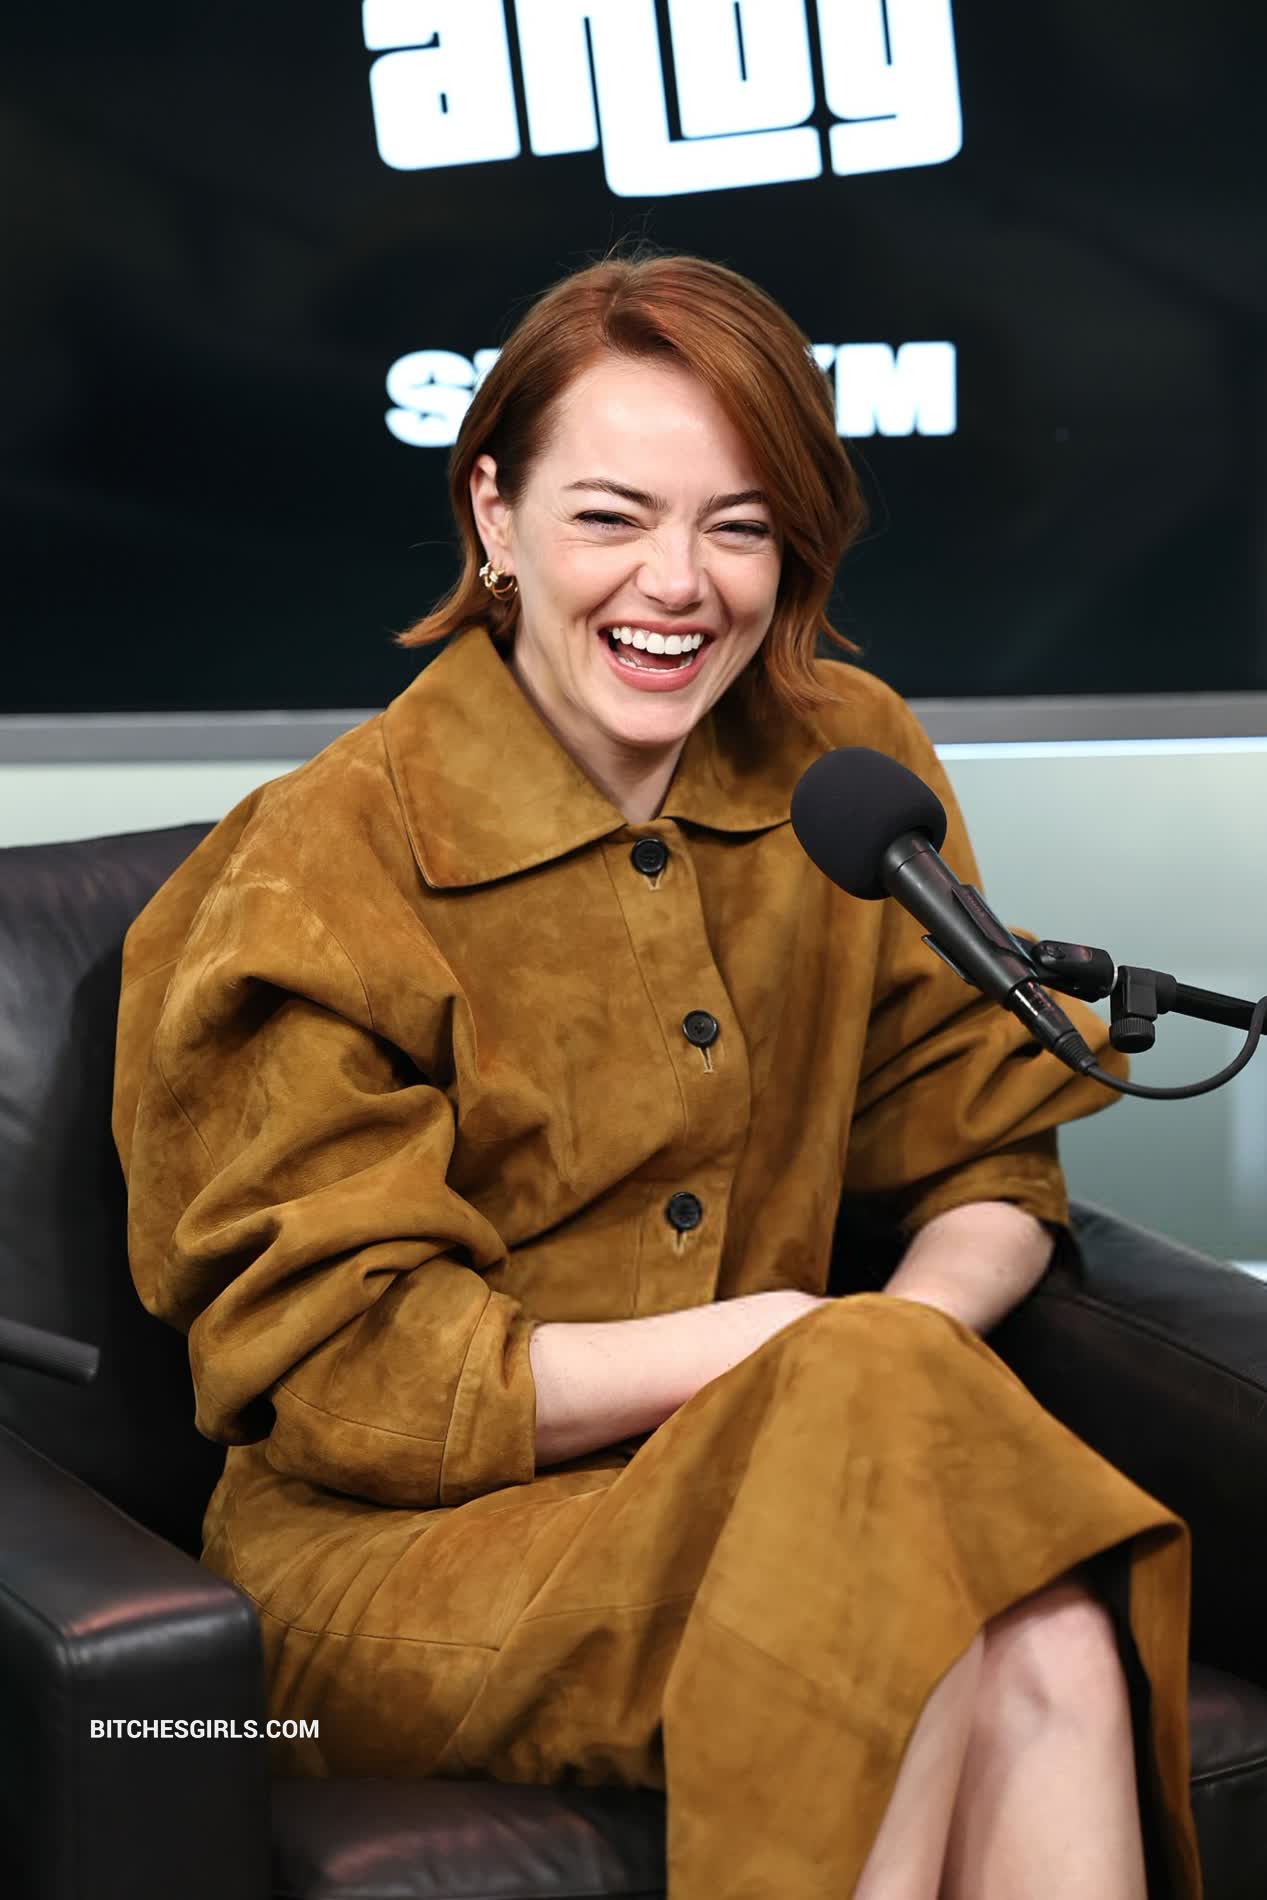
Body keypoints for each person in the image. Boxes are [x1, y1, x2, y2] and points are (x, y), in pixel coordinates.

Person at [111, 249, 1202, 1899]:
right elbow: (356, 1381)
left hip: (802, 1471)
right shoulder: (320, 862)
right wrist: (791, 1352)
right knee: (928, 1585)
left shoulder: (851, 764)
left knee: (1042, 1633)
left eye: (738, 526)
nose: (679, 584)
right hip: (395, 1559)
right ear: (494, 514)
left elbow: (984, 1161)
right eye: (612, 516)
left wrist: (879, 1362)